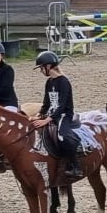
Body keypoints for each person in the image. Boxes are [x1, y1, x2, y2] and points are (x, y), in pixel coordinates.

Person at [32, 50, 82, 179]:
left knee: (62, 136)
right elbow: (46, 103)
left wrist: (47, 120)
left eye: (41, 68)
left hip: (64, 115)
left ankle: (75, 166)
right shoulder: (49, 82)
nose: (41, 71)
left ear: (48, 67)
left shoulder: (63, 81)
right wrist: (38, 115)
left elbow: (61, 106)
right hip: (51, 114)